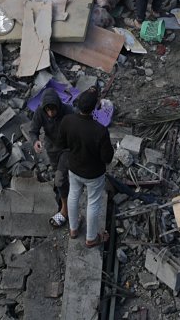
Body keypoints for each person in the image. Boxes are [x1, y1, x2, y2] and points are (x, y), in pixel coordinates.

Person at [59, 88, 114, 248]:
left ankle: (73, 229)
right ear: (94, 108)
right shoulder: (100, 130)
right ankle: (91, 238)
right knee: (93, 202)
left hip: (74, 168)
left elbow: (61, 144)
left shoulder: (67, 121)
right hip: (93, 174)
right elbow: (107, 158)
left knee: (73, 195)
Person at [29, 87, 70, 228]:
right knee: (60, 176)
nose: (51, 113)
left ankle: (65, 210)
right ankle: (66, 194)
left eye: (54, 110)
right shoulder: (40, 112)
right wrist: (35, 141)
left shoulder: (67, 110)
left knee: (58, 180)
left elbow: (79, 123)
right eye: (48, 111)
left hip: (67, 148)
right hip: (52, 148)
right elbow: (33, 130)